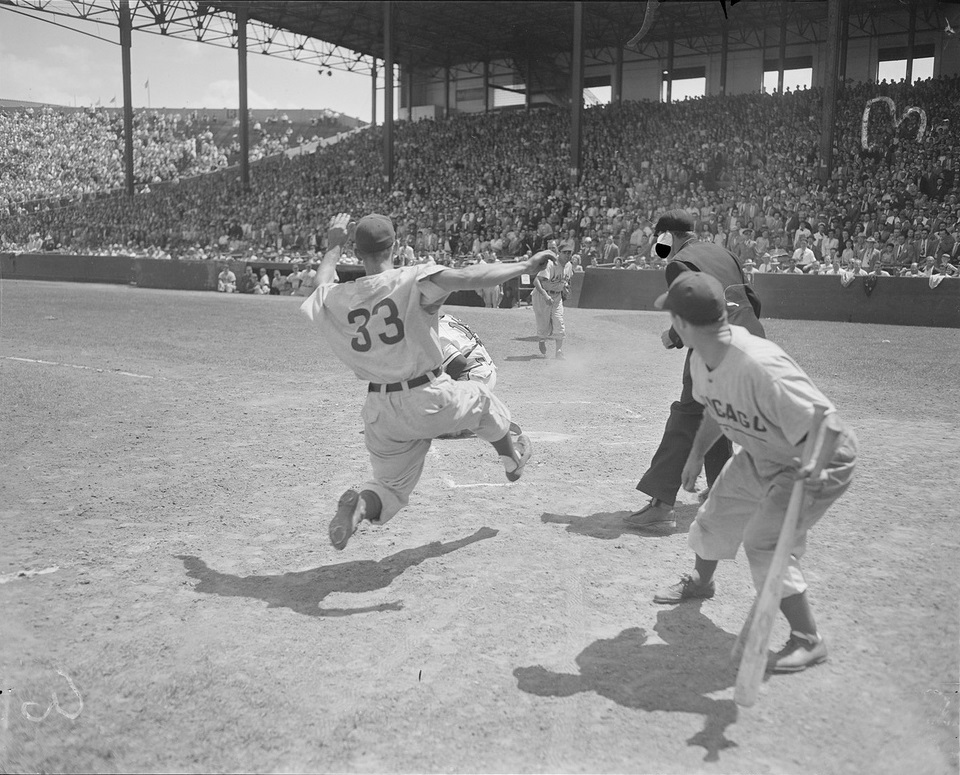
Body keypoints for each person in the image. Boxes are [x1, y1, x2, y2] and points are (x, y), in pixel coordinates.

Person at [300, 212, 550, 550]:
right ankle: (512, 460)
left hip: (380, 412)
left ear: (357, 255)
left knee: (389, 489)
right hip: (426, 395)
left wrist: (332, 247)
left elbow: (322, 283)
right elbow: (468, 276)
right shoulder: (410, 280)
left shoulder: (342, 296)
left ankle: (359, 508)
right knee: (481, 397)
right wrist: (524, 267)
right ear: (397, 246)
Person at [648, 271, 858, 673]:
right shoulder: (701, 357)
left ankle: (808, 639)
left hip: (818, 458)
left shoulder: (759, 364)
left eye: (672, 316)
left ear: (683, 324)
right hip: (766, 451)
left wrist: (811, 467)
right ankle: (701, 581)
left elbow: (826, 421)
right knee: (718, 512)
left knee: (764, 542)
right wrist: (695, 457)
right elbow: (715, 407)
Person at [628, 209, 765, 531]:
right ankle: (727, 495)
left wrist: (673, 336)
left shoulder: (679, 263)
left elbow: (691, 311)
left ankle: (661, 505)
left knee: (687, 416)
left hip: (714, 344)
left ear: (668, 236)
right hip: (750, 337)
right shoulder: (724, 251)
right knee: (713, 411)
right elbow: (750, 299)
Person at [436, 312, 523, 438]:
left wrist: (447, 393)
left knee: (440, 428)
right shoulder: (447, 319)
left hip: (474, 377)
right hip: (484, 374)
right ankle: (473, 415)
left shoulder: (436, 333)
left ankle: (484, 418)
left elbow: (459, 362)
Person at [532, 247, 566, 359]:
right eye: (564, 252)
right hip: (542, 295)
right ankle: (542, 340)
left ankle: (559, 351)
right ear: (559, 253)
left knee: (559, 321)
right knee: (543, 324)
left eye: (569, 252)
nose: (567, 255)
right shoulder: (551, 265)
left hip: (557, 297)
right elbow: (536, 281)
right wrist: (545, 295)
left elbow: (565, 280)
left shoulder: (569, 266)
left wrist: (565, 287)